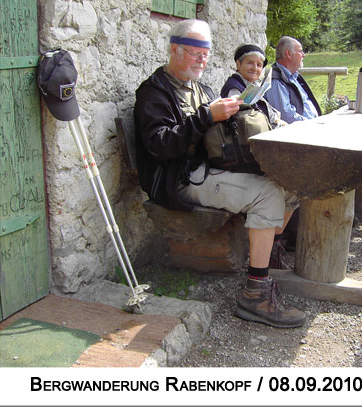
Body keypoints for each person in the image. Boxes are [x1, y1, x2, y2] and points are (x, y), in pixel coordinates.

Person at [134, 19, 306, 328]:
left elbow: (212, 130)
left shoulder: (201, 88)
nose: (203, 60)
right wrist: (207, 116)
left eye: (206, 53)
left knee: (290, 184)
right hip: (177, 179)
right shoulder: (154, 92)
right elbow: (160, 145)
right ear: (174, 50)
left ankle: (267, 257)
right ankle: (256, 293)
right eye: (195, 53)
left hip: (206, 168)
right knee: (267, 194)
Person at [220, 43, 285, 128]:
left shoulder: (254, 86)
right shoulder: (234, 88)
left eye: (259, 65)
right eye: (250, 63)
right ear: (238, 64)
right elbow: (242, 122)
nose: (254, 68)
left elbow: (271, 114)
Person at [264, 36, 322, 123]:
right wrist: (311, 124)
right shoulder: (276, 81)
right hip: (298, 132)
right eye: (300, 51)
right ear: (288, 54)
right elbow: (285, 116)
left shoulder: (293, 76)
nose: (304, 55)